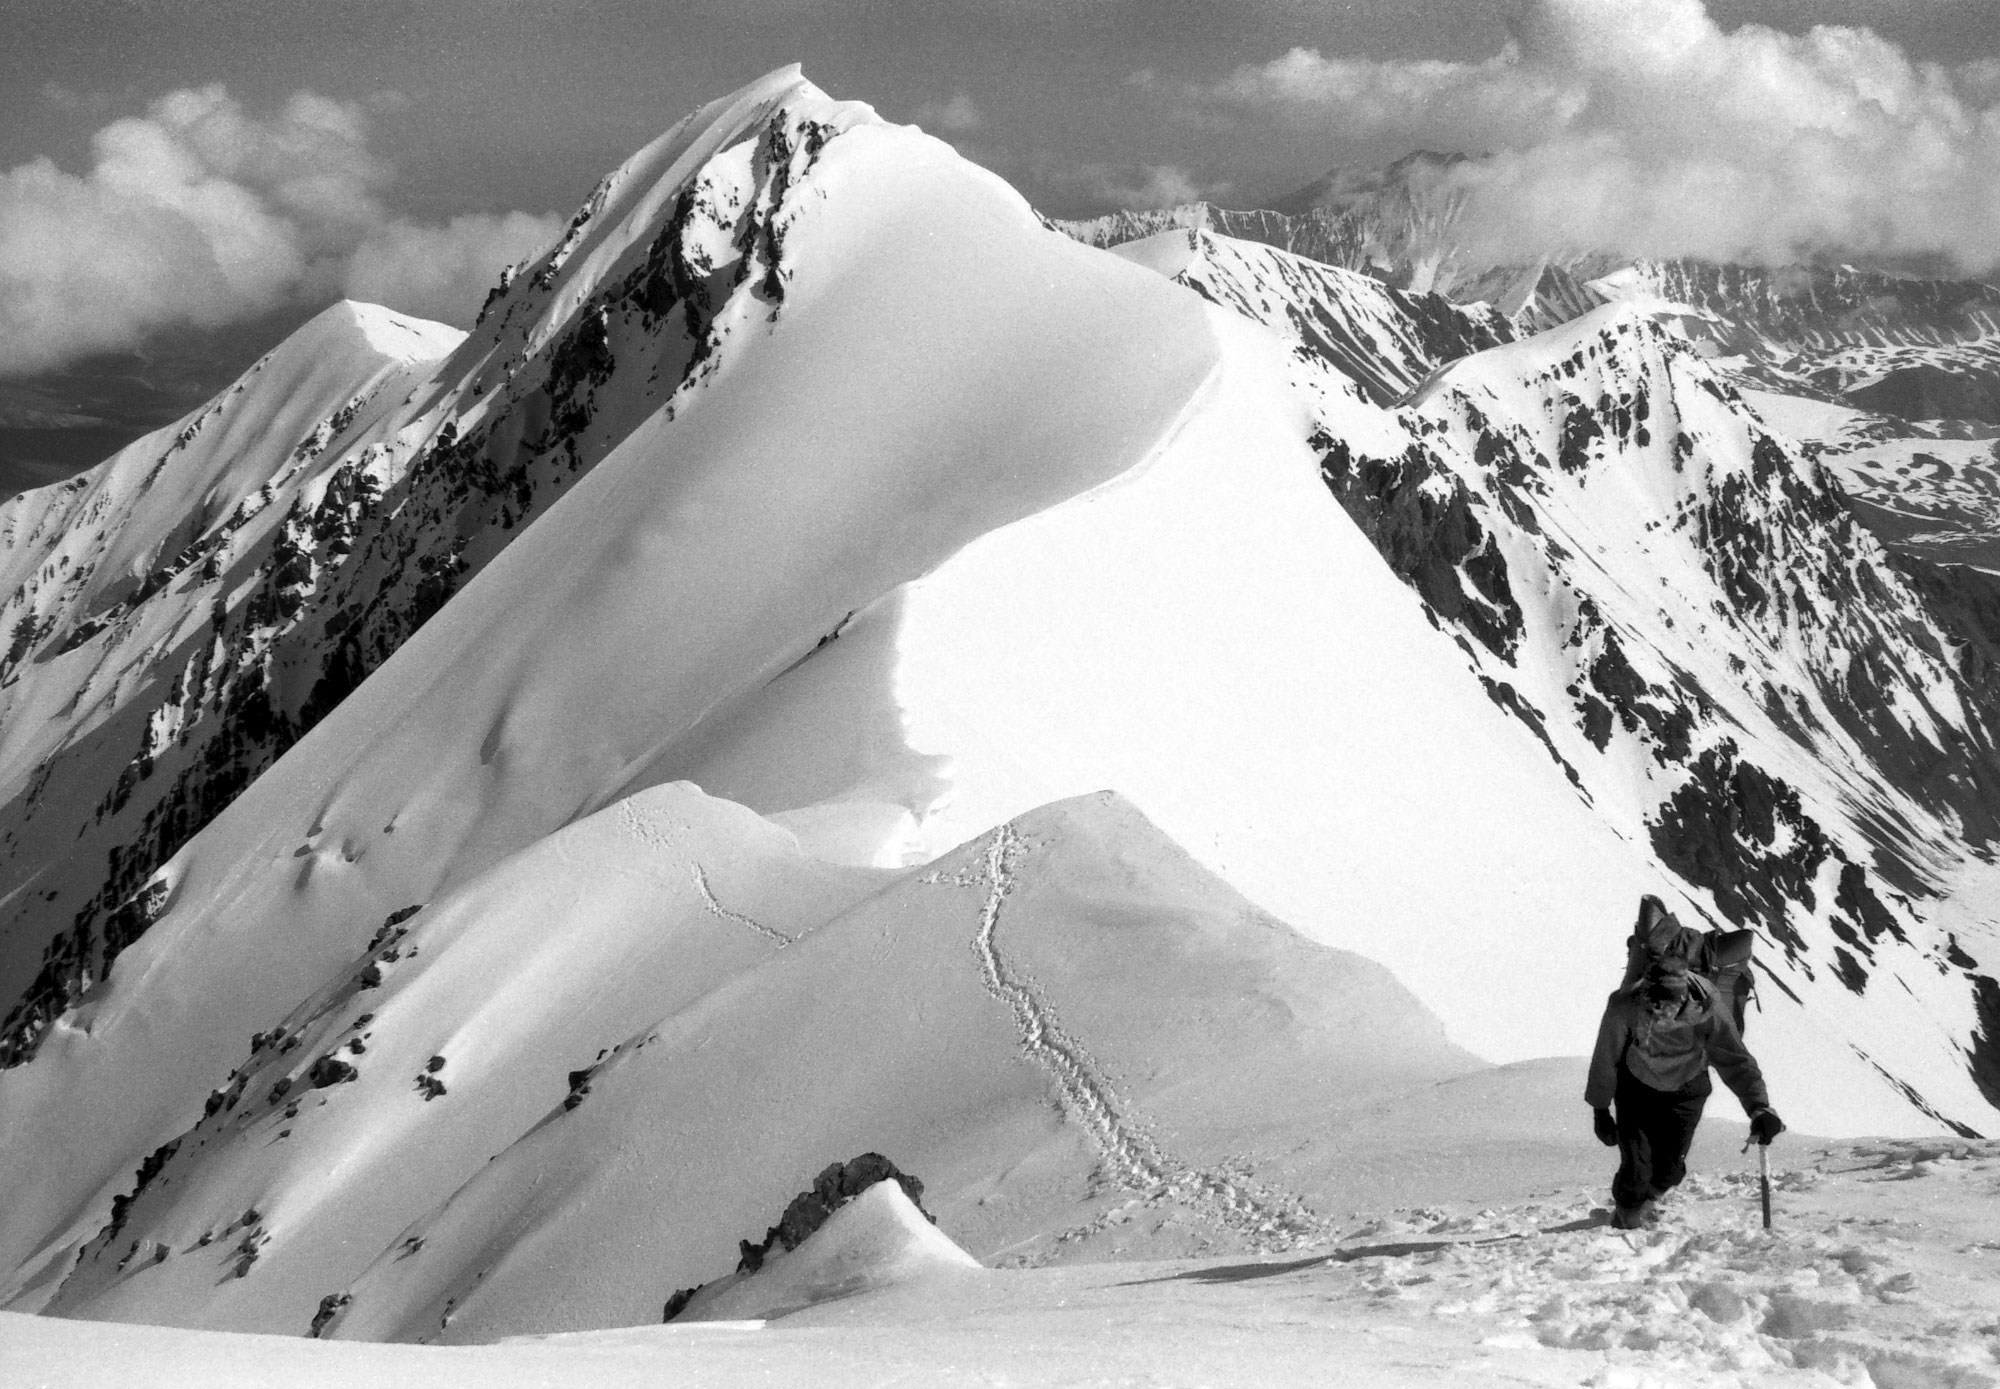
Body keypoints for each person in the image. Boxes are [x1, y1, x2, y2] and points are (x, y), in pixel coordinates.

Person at [1586, 953, 1785, 1229]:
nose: (1659, 1010)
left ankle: (1646, 1204)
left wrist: (1759, 1107)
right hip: (1636, 1090)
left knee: (1670, 1170)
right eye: (1652, 1001)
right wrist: (1600, 1109)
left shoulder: (1708, 1008)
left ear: (1682, 997)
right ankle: (1625, 1224)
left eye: (1666, 1002)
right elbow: (1606, 1057)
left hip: (1687, 1090)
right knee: (1636, 1170)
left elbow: (1734, 1059)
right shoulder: (1625, 1005)